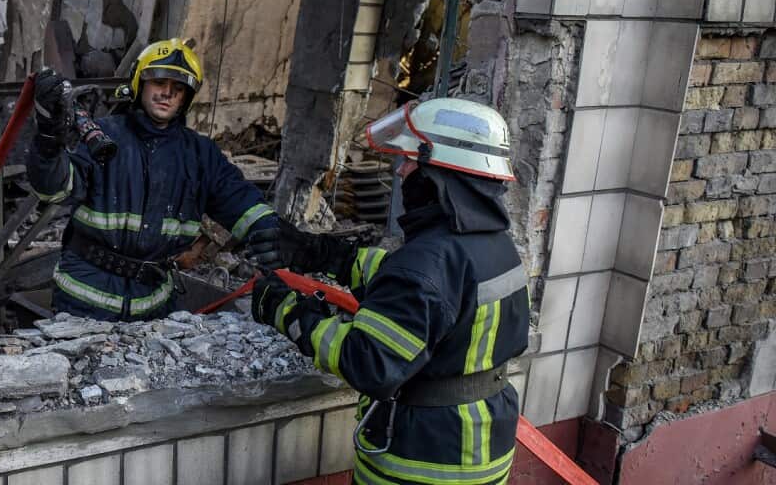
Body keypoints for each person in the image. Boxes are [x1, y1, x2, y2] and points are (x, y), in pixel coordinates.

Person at [249, 98, 529, 485]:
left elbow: (368, 363)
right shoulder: (493, 245)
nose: (401, 170)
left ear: (440, 171)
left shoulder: (427, 264)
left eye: (411, 160)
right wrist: (320, 252)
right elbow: (418, 290)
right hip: (483, 445)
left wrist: (285, 310)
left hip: (424, 460)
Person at [27, 38, 282, 321]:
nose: (167, 94)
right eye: (159, 83)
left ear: (187, 98)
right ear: (140, 84)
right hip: (83, 300)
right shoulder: (103, 137)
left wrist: (278, 237)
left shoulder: (199, 154)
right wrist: (48, 138)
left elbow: (240, 201)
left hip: (155, 307)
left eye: (178, 89)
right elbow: (53, 190)